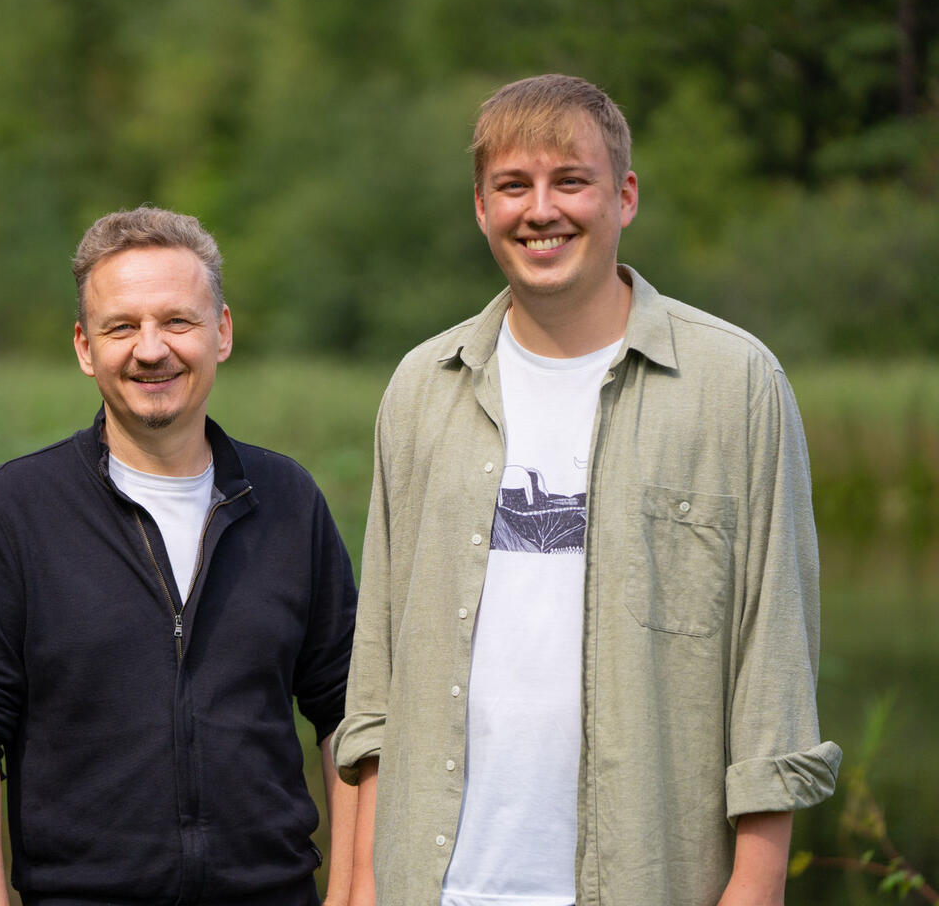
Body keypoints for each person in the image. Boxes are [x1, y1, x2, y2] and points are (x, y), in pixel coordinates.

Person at [332, 75, 841, 906]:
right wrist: (362, 883)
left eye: (570, 181)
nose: (541, 211)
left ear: (624, 196)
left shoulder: (736, 385)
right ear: (481, 207)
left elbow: (773, 667)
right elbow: (379, 673)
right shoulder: (423, 386)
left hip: (650, 880)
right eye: (513, 186)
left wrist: (755, 889)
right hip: (435, 884)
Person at [0, 206, 359, 906]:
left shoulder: (290, 501)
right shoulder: (14, 511)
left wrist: (352, 892)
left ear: (221, 331)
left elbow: (347, 710)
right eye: (121, 326)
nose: (150, 350)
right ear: (84, 346)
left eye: (177, 321)